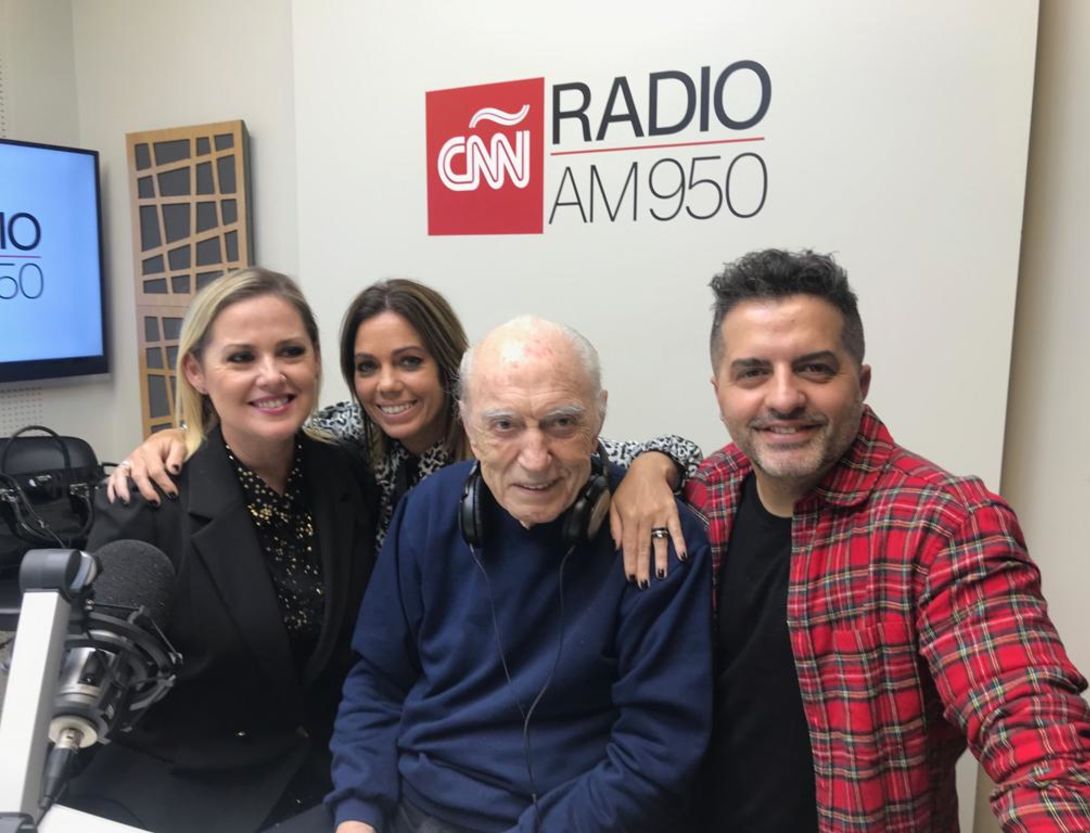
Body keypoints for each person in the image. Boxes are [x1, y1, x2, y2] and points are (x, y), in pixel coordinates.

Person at [687, 248, 1090, 832]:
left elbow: (1030, 719)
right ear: (719, 392)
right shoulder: (701, 497)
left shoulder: (944, 523)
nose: (783, 398)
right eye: (753, 372)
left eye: (813, 368)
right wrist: (651, 462)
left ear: (860, 382)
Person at [326, 316, 713, 833]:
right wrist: (357, 813)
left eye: (561, 422)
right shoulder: (427, 509)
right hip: (411, 809)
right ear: (467, 422)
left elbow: (658, 750)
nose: (535, 459)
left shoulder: (658, 535)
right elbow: (378, 681)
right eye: (504, 425)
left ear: (599, 414)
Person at [107, 279, 701, 581]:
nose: (387, 385)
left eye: (409, 361)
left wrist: (651, 469)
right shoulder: (344, 436)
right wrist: (177, 437)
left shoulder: (511, 439)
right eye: (367, 367)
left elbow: (661, 448)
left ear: (448, 365)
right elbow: (258, 421)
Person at [64, 269, 377, 833]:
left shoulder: (346, 476)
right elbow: (101, 685)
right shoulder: (146, 502)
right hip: (186, 792)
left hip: (328, 786)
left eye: (290, 351)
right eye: (240, 358)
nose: (272, 375)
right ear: (196, 372)